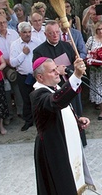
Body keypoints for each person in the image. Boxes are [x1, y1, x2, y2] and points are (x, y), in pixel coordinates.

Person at [30, 57, 95, 194]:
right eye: (52, 71)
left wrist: (76, 121)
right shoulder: (38, 94)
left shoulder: (55, 88)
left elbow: (60, 113)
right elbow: (56, 102)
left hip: (62, 141)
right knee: (59, 186)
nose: (57, 72)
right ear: (40, 77)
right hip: (52, 148)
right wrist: (76, 75)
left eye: (56, 69)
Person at [33, 20, 87, 146]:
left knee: (75, 112)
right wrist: (57, 70)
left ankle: (79, 140)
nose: (55, 35)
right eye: (51, 33)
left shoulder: (67, 46)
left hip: (71, 86)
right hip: (54, 91)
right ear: (45, 34)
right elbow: (38, 73)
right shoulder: (39, 51)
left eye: (57, 32)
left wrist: (72, 70)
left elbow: (75, 65)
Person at [0, 15, 22, 124]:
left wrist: (14, 61)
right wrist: (5, 62)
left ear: (7, 22)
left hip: (15, 65)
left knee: (18, 90)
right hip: (1, 66)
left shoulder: (14, 34)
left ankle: (21, 112)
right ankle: (9, 114)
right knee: (6, 91)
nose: (2, 25)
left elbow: (19, 47)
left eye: (4, 22)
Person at [10, 22, 41, 131]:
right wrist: (23, 54)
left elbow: (43, 57)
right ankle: (28, 121)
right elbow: (13, 63)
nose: (27, 34)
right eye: (24, 32)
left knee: (39, 99)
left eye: (29, 32)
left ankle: (40, 120)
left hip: (37, 76)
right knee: (26, 99)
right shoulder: (15, 45)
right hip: (23, 77)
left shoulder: (37, 42)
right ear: (19, 33)